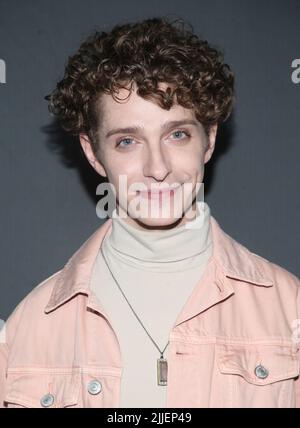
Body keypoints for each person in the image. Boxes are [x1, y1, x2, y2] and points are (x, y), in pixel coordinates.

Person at [0, 16, 299, 408]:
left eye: (177, 134)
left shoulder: (289, 308)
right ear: (93, 152)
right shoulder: (31, 326)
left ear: (208, 139)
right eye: (127, 141)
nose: (157, 168)